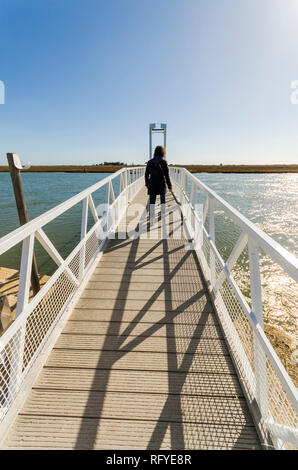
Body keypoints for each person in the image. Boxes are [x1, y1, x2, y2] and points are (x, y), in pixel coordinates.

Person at [145, 146, 172, 223]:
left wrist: (147, 184)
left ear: (155, 152)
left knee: (152, 201)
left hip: (152, 183)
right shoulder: (164, 162)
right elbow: (167, 176)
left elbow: (146, 174)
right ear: (162, 152)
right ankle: (163, 216)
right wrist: (170, 186)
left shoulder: (150, 162)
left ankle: (151, 218)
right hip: (161, 183)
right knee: (162, 200)